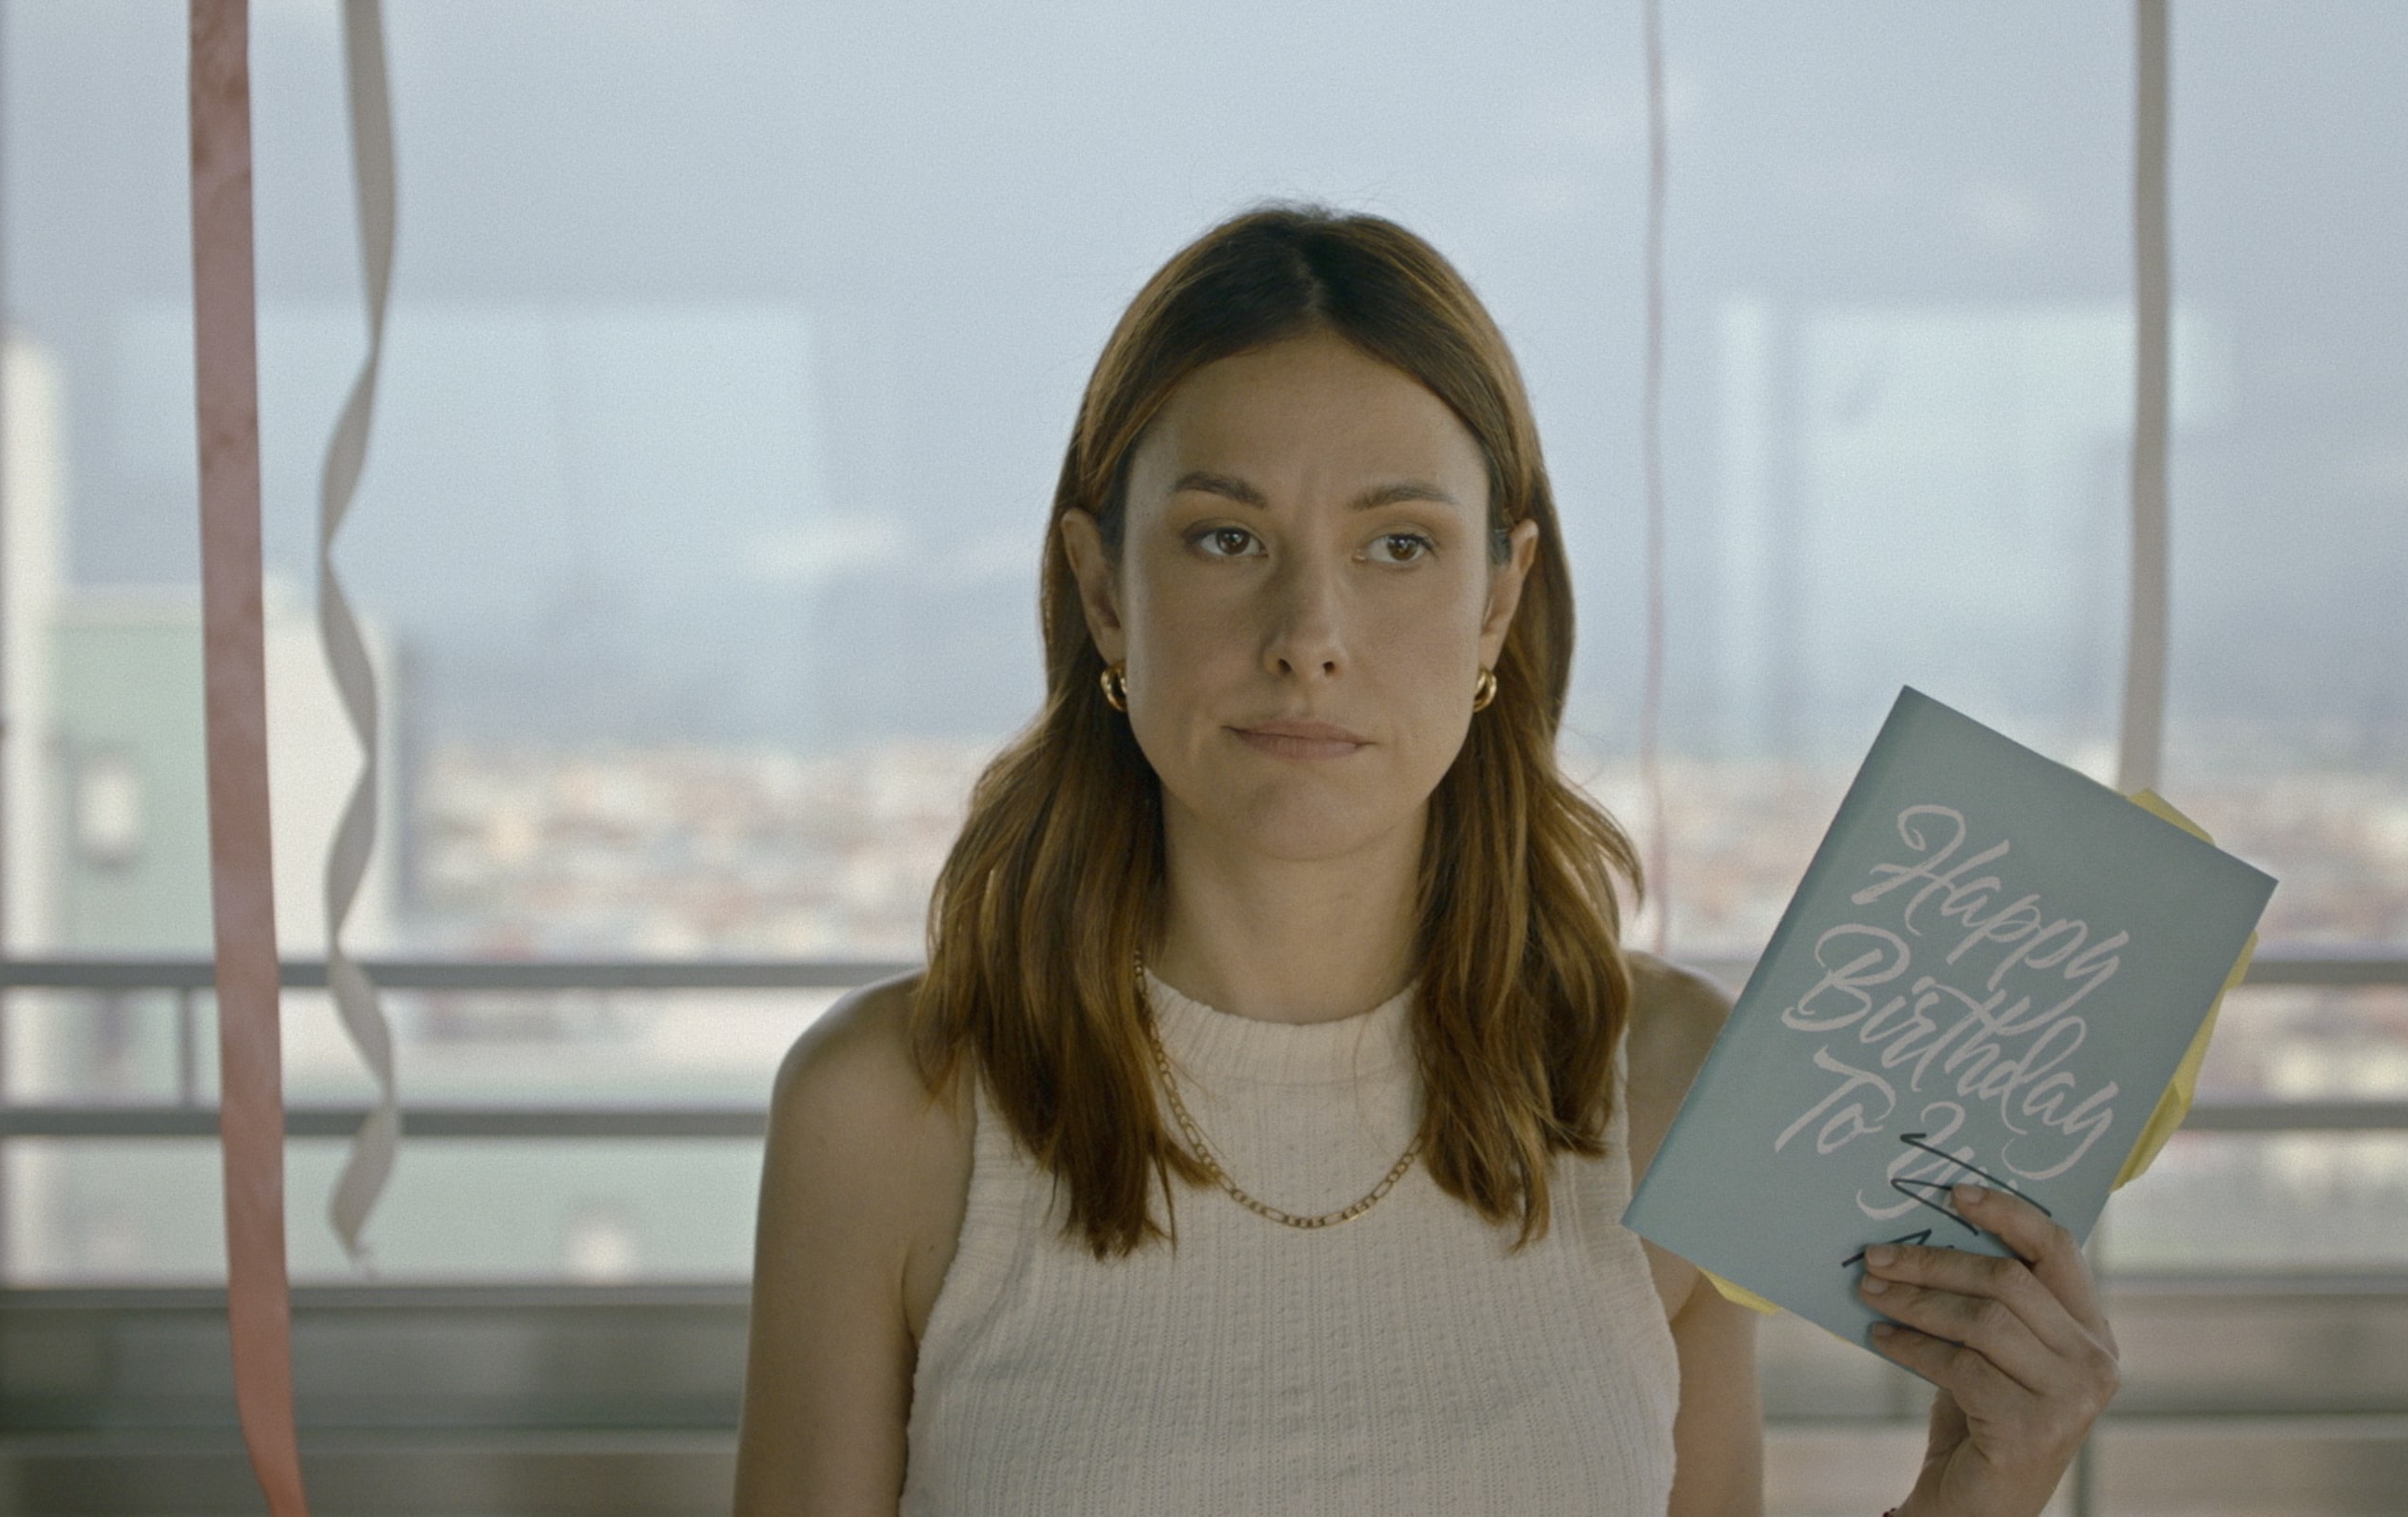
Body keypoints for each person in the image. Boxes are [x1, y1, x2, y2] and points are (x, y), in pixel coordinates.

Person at [731, 204, 2120, 1517]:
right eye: (1226, 537)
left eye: (1399, 544)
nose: (1309, 635)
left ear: (1498, 603)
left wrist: (1976, 1498)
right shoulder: (890, 1113)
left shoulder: (1670, 1087)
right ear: (1104, 591)